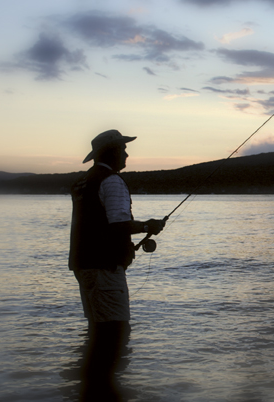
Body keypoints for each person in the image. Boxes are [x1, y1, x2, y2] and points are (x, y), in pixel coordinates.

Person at [69, 129, 165, 399]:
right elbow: (117, 224)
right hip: (103, 268)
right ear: (111, 152)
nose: (127, 153)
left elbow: (97, 225)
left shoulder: (82, 182)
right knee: (114, 332)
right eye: (122, 149)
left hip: (83, 266)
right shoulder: (111, 181)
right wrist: (149, 225)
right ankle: (102, 392)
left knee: (98, 331)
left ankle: (89, 391)